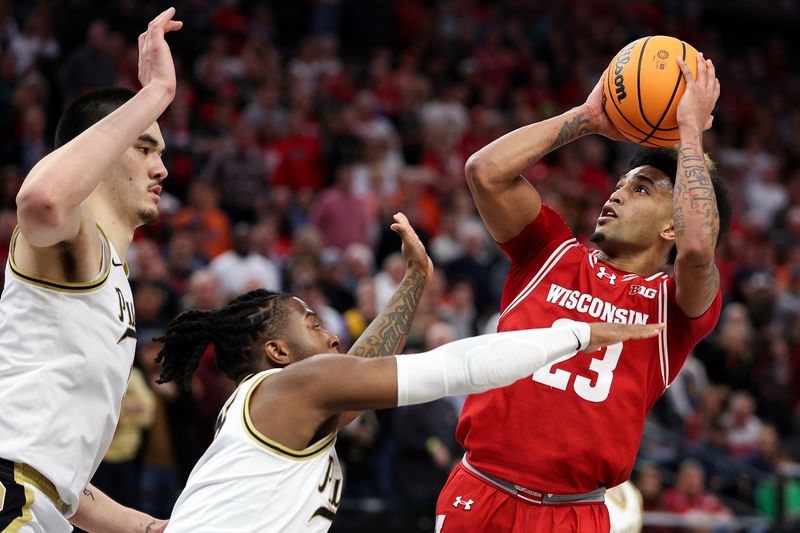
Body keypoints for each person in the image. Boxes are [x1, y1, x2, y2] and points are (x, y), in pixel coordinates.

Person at [156, 214, 661, 533]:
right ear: (278, 351)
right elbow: (453, 367)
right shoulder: (294, 387)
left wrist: (414, 282)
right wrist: (577, 334)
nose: (331, 335)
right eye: (312, 324)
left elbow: (359, 368)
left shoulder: (281, 403)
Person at [434, 53, 731, 532]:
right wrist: (588, 118)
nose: (614, 194)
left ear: (672, 225)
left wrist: (690, 129)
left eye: (641, 190)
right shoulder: (549, 252)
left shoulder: (675, 308)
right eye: (618, 184)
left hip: (574, 511)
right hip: (482, 488)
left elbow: (699, 248)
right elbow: (485, 171)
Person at [0, 8, 181, 533]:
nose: (161, 167)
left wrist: (152, 528)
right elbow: (39, 199)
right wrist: (158, 91)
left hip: (33, 501)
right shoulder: (77, 240)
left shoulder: (110, 274)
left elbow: (58, 477)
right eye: (144, 147)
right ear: (98, 153)